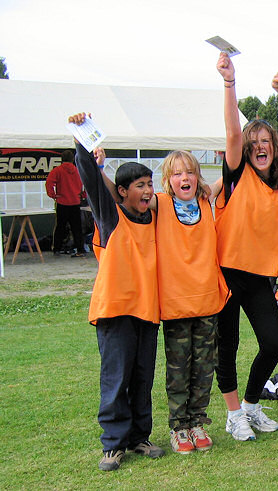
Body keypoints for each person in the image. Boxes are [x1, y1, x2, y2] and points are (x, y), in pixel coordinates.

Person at [214, 51, 278, 441]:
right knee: (227, 345)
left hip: (260, 276)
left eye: (266, 141)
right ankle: (234, 414)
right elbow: (234, 133)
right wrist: (230, 83)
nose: (260, 146)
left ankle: (251, 405)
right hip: (225, 271)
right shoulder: (237, 173)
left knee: (272, 342)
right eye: (255, 143)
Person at [68, 112, 164, 471]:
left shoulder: (156, 218)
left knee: (142, 378)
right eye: (139, 185)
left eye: (149, 184)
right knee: (116, 378)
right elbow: (93, 182)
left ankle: (139, 437)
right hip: (115, 311)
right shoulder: (111, 218)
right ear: (122, 192)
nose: (147, 191)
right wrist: (82, 138)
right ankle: (113, 444)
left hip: (147, 312)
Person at [154, 151, 228, 454]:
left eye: (189, 172)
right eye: (177, 173)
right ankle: (179, 426)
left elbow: (234, 169)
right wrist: (96, 165)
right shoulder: (158, 204)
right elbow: (118, 198)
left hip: (207, 300)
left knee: (204, 366)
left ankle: (197, 421)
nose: (184, 178)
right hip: (176, 302)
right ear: (168, 179)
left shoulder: (205, 201)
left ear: (198, 176)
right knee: (178, 368)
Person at [45, 149, 87, 257]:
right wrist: (83, 195)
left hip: (62, 202)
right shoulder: (78, 171)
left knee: (60, 227)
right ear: (73, 159)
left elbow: (49, 182)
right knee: (77, 228)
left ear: (61, 159)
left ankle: (57, 249)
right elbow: (87, 184)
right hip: (75, 202)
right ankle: (80, 250)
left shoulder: (57, 170)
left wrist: (53, 195)